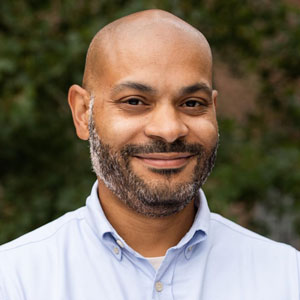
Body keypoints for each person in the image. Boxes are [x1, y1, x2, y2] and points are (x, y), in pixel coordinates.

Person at [0, 9, 299, 300]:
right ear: (82, 113)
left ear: (214, 110)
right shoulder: (15, 281)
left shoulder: (287, 278)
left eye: (192, 103)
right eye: (135, 101)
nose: (169, 130)